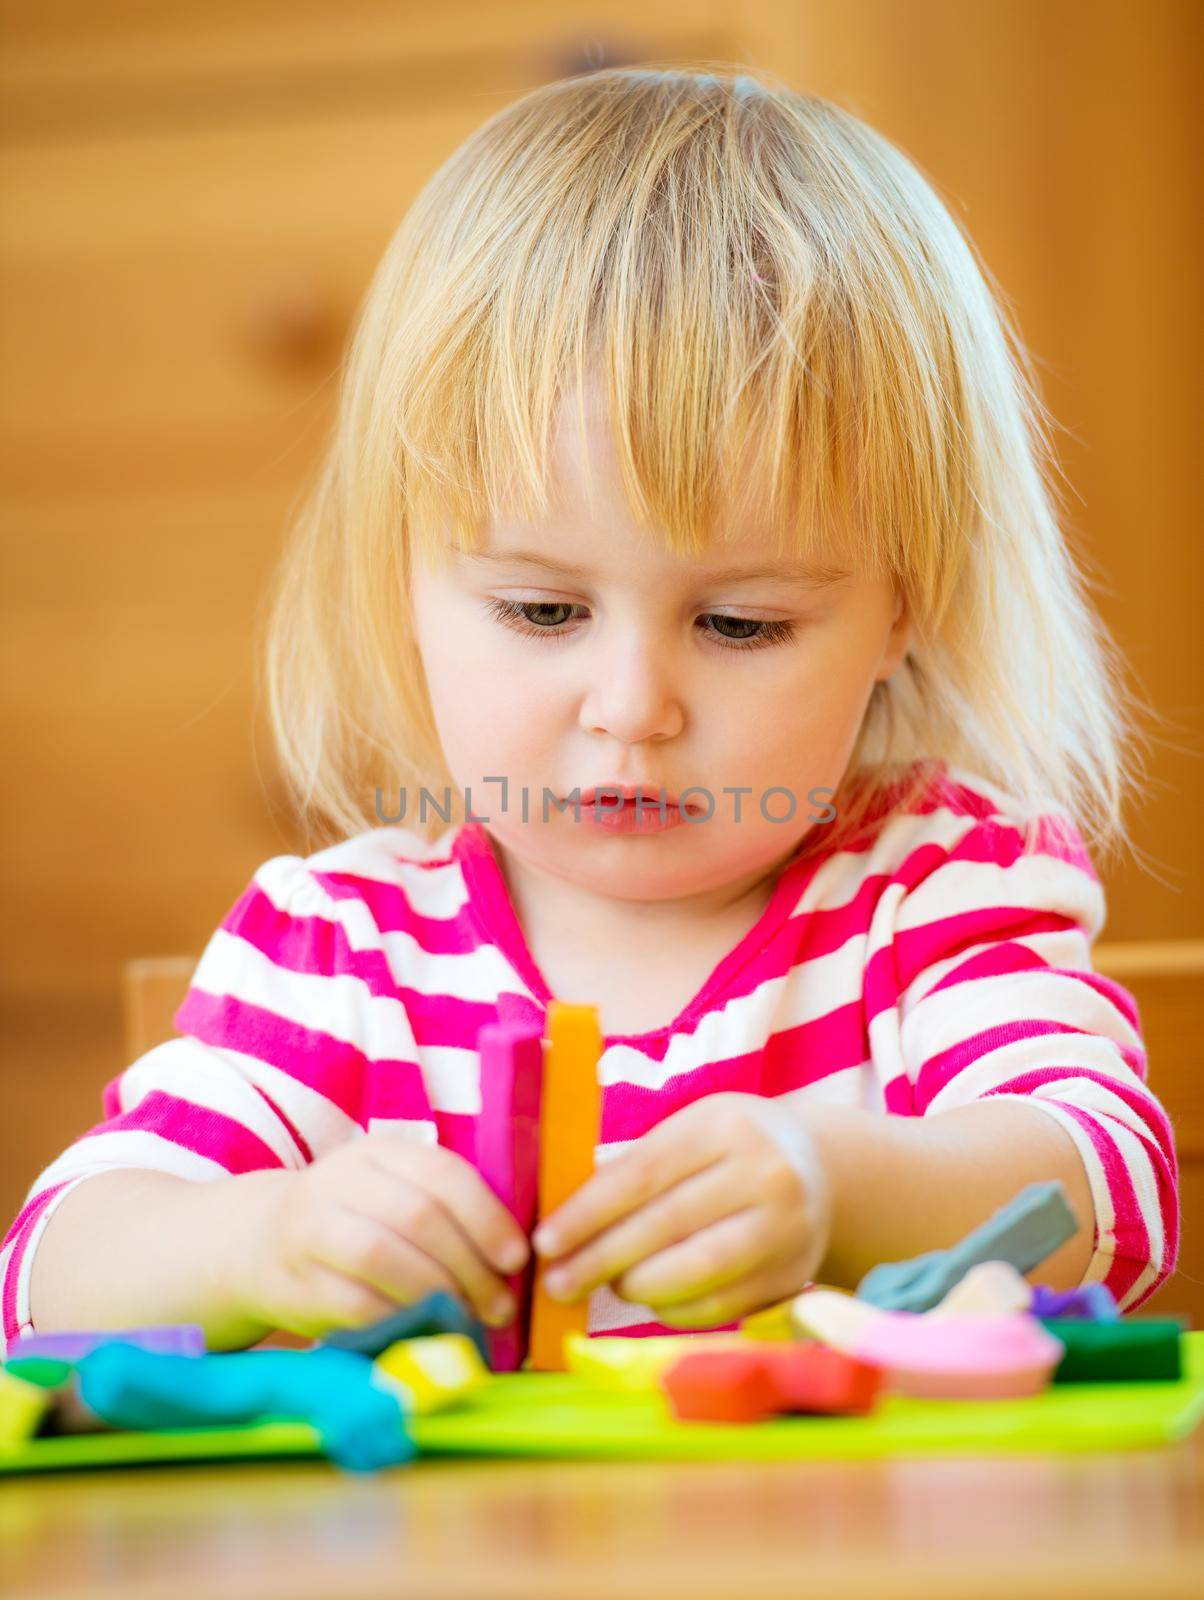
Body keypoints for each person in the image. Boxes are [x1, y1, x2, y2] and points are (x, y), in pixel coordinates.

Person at [1, 67, 1178, 1357]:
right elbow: (47, 1271)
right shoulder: (341, 954)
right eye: (543, 614)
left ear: (904, 606)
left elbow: (1108, 1195)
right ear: (407, 577)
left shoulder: (936, 895)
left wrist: (838, 1186)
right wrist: (266, 1240)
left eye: (741, 625)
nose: (632, 710)